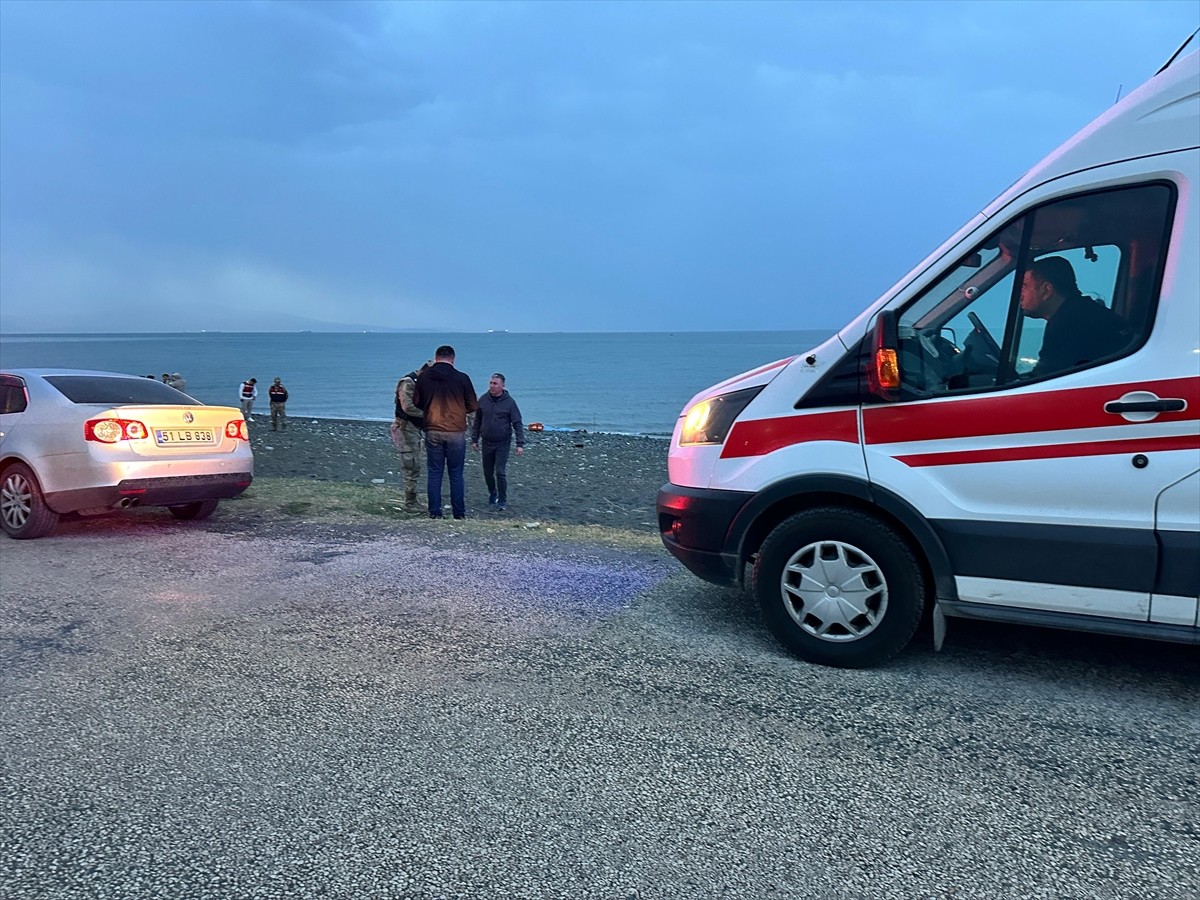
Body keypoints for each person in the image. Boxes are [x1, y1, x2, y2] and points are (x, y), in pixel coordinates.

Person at [1020, 256, 1128, 378]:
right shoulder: (1085, 312)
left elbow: (1044, 378)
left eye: (1024, 286)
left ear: (1046, 291)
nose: (1020, 295)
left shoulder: (1067, 325)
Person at [413, 345, 478, 520]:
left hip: (433, 428)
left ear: (436, 358)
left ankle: (435, 511)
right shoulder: (462, 378)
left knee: (435, 472)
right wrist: (458, 409)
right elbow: (473, 405)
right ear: (453, 359)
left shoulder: (424, 377)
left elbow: (417, 402)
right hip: (455, 430)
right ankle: (459, 513)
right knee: (456, 473)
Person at [471, 373, 525, 511]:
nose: (492, 386)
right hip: (487, 441)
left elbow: (517, 423)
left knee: (500, 471)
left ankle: (502, 499)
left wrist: (520, 444)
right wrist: (474, 439)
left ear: (502, 386)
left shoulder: (509, 402)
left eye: (495, 384)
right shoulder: (483, 399)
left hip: (503, 442)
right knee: (487, 472)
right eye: (491, 383)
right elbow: (477, 421)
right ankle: (492, 493)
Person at [390, 361, 431, 511]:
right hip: (406, 427)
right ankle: (410, 501)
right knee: (411, 464)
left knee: (414, 463)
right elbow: (408, 407)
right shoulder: (409, 383)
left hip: (414, 427)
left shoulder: (420, 383)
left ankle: (411, 500)